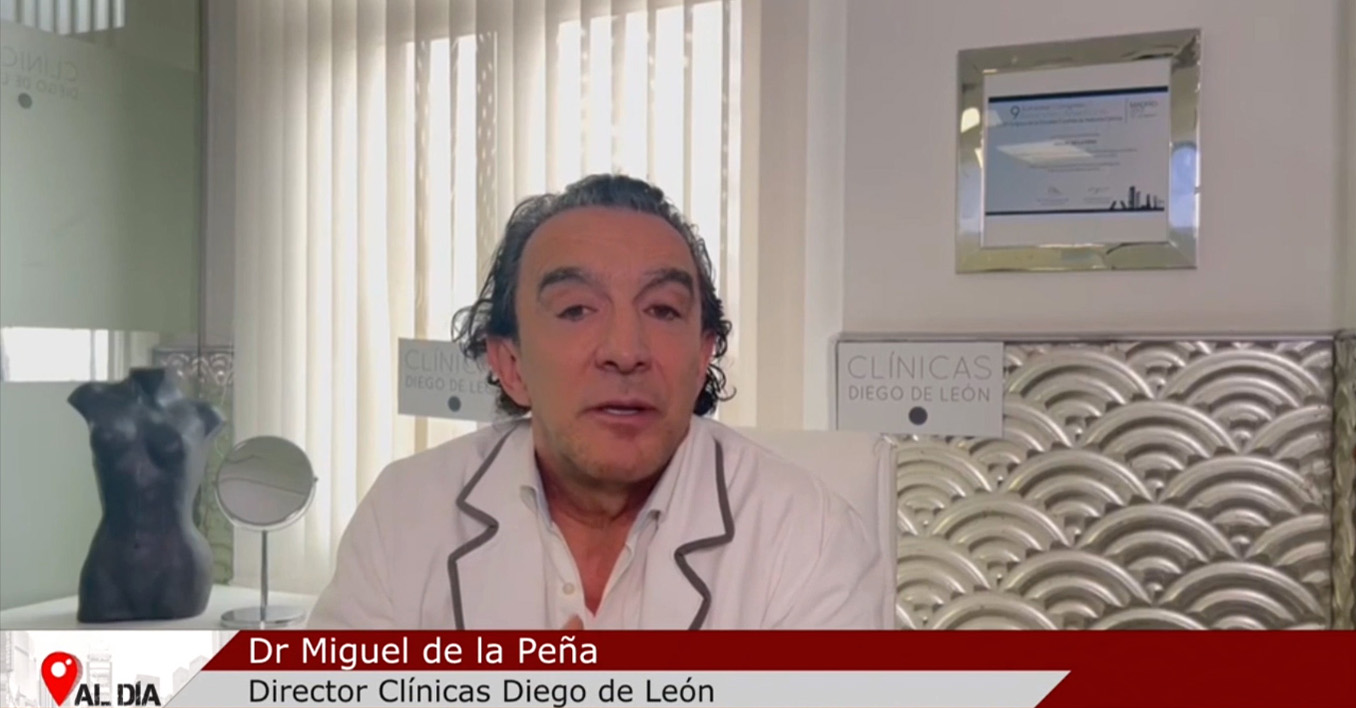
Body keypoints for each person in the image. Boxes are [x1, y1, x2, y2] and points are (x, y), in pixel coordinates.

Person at [308, 174, 887, 629]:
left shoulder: (807, 536)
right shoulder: (404, 515)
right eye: (576, 310)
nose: (625, 351)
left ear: (703, 356)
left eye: (662, 309)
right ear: (510, 364)